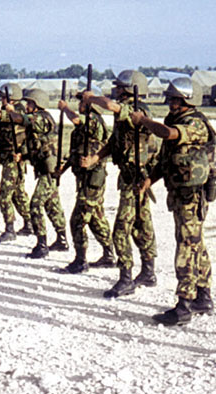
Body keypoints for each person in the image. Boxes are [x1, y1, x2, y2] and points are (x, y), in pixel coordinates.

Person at [130, 77, 215, 326]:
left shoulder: (196, 123)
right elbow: (167, 160)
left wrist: (144, 121)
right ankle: (203, 296)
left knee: (187, 247)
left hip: (192, 195)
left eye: (176, 100)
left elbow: (169, 135)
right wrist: (149, 181)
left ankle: (184, 305)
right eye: (171, 99)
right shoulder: (175, 120)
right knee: (195, 244)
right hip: (179, 192)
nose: (171, 104)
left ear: (188, 100)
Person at [81, 70, 159, 296]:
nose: (115, 90)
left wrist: (92, 97)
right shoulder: (123, 115)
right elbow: (115, 142)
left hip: (137, 178)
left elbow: (112, 106)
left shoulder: (137, 110)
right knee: (142, 225)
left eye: (118, 87)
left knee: (121, 230)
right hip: (129, 176)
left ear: (127, 88)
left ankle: (126, 277)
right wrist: (96, 158)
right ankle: (148, 272)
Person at [57, 85, 113, 274]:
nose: (80, 104)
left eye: (83, 101)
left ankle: (81, 260)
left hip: (93, 178)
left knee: (78, 219)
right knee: (96, 218)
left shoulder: (94, 120)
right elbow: (75, 153)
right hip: (84, 178)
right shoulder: (81, 129)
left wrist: (64, 107)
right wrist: (62, 170)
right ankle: (109, 254)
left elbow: (74, 118)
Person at [7, 88, 67, 258]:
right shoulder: (39, 119)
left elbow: (22, 120)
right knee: (52, 205)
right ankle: (62, 240)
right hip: (44, 168)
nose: (27, 106)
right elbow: (37, 145)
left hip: (49, 169)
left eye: (30, 103)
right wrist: (23, 155)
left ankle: (41, 244)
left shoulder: (42, 118)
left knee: (35, 204)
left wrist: (11, 112)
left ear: (37, 104)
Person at [0, 83, 33, 242]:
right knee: (18, 194)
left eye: (4, 97)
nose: (2, 99)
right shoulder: (9, 109)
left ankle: (9, 228)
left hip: (15, 160)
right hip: (8, 156)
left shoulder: (18, 110)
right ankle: (30, 223)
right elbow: (6, 135)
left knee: (5, 194)